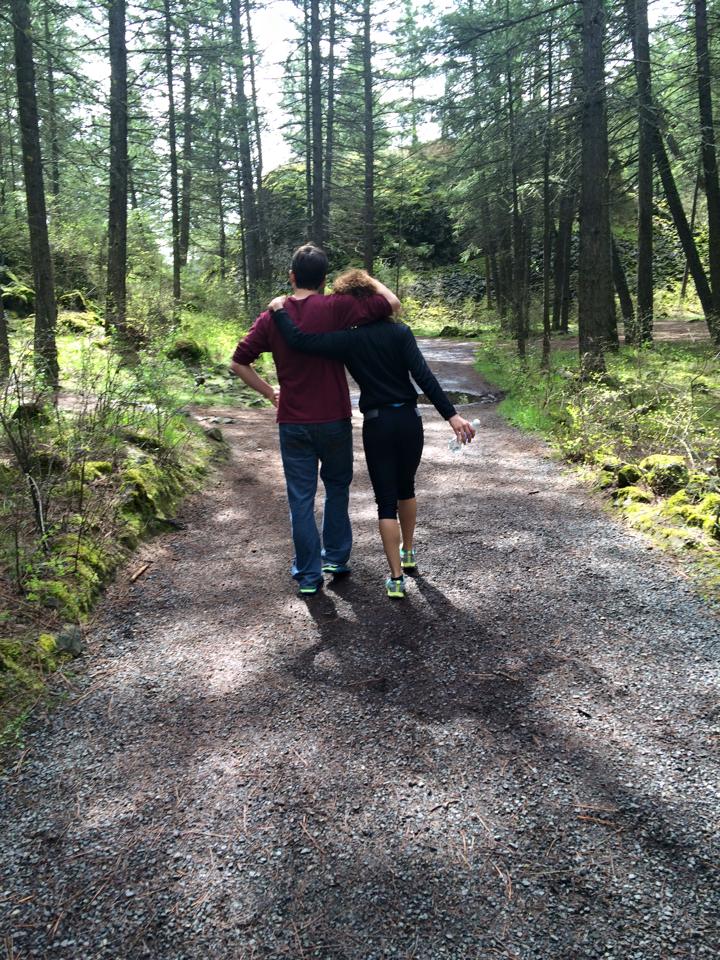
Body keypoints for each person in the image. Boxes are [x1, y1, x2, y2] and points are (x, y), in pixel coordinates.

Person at [269, 268, 475, 599]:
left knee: (385, 503)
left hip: (377, 425)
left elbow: (300, 341)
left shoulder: (348, 340)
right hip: (409, 421)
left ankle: (395, 580)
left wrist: (279, 311)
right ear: (374, 297)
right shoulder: (401, 333)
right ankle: (409, 552)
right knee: (407, 489)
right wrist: (452, 416)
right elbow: (423, 377)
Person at [229, 245, 400, 596]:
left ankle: (308, 575)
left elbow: (238, 363)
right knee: (337, 490)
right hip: (334, 417)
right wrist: (364, 278)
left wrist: (269, 393)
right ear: (324, 280)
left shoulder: (272, 316)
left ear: (292, 276)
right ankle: (335, 558)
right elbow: (392, 303)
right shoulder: (337, 307)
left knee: (300, 499)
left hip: (293, 420)